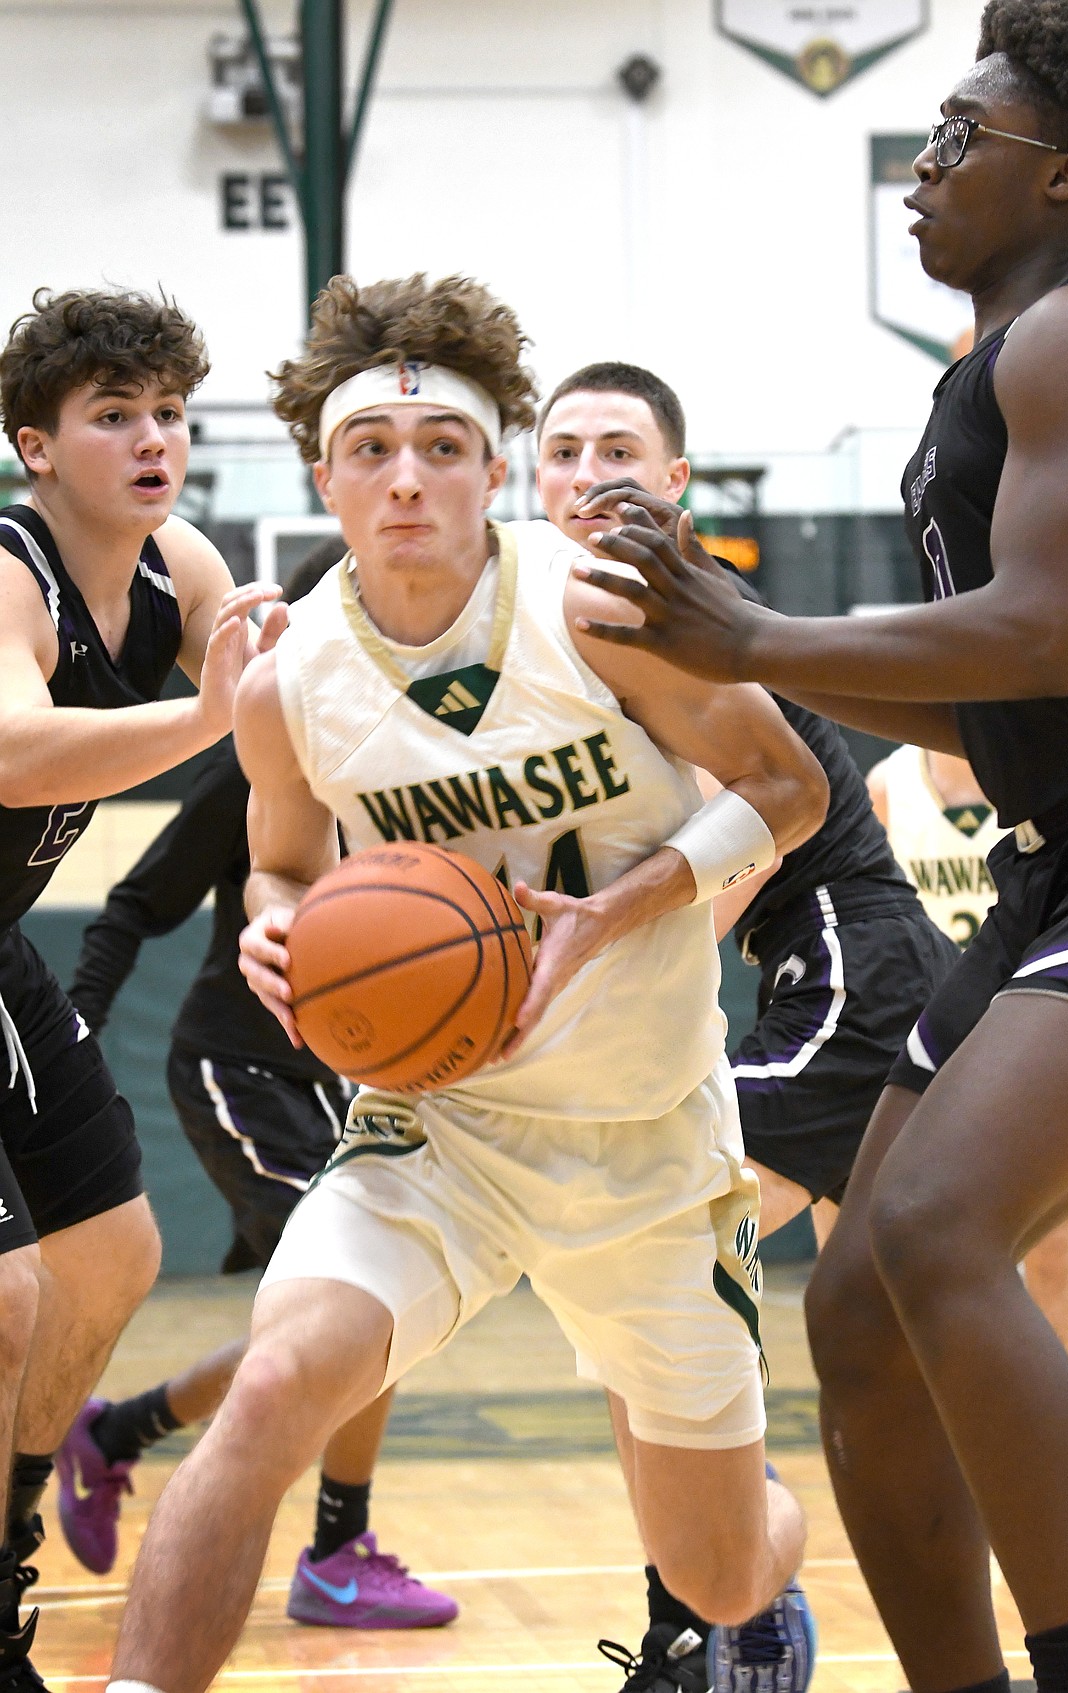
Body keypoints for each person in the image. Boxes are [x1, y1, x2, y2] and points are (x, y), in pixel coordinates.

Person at [102, 270, 830, 1693]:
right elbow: (282, 863)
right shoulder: (288, 677)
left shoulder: (601, 609)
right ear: (324, 474)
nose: (408, 478)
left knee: (716, 1565)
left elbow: (787, 785)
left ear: (496, 470)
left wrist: (619, 907)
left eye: (444, 450)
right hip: (436, 1133)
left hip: (647, 1147)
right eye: (371, 448)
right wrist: (276, 927)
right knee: (268, 1392)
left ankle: (763, 1583)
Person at [567, 4, 1068, 1688]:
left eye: (963, 135)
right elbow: (1009, 700)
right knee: (860, 1302)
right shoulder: (997, 364)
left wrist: (759, 635)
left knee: (939, 1230)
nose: (924, 167)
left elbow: (1050, 632)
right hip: (1056, 851)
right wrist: (755, 660)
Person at [535, 362, 959, 1693]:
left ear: (674, 483)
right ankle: (719, 1599)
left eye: (623, 447)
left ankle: (725, 1613)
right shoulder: (554, 638)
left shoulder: (679, 620)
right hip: (832, 981)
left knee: (644, 1235)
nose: (591, 467)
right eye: (564, 449)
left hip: (853, 969)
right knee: (667, 1288)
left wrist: (574, 991)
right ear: (530, 485)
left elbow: (751, 852)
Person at [56, 539, 456, 1632]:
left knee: (370, 1312)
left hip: (352, 1071)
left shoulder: (432, 752)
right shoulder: (259, 751)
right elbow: (135, 901)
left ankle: (121, 1429)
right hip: (237, 1061)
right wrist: (82, 1021)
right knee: (357, 1300)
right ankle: (334, 1548)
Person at [0, 287, 278, 1689]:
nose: (152, 437)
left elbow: (275, 685)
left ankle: (3, 1556)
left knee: (114, 1257)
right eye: (115, 415)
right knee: (2, 1301)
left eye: (168, 410)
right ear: (37, 447)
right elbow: (11, 749)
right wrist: (206, 714)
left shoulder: (180, 560)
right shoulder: (7, 569)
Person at [867, 745, 1068, 1381]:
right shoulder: (889, 783)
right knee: (915, 1240)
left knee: (1051, 1250)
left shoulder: (1033, 769)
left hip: (1032, 1017)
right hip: (937, 1019)